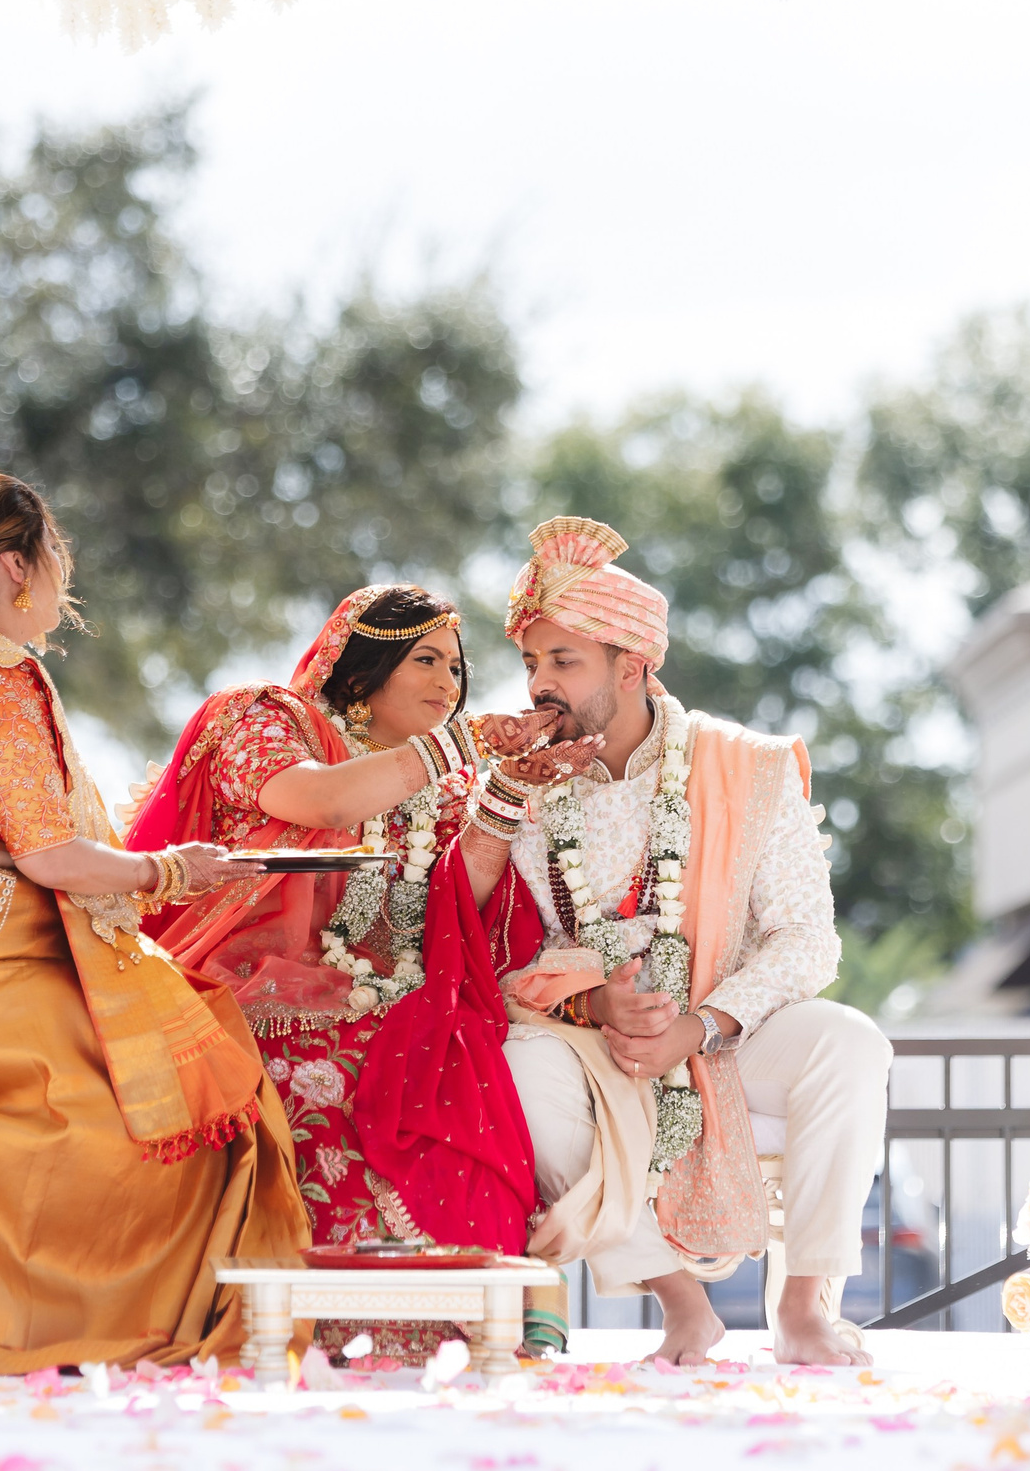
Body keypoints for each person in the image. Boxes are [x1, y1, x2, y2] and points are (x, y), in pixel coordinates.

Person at [364, 516, 889, 1367]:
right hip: (587, 1038)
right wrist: (591, 998)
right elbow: (484, 946)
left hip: (728, 1030)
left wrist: (701, 1023)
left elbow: (807, 942)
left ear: (633, 668)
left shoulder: (747, 768)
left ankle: (802, 1308)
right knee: (521, 1077)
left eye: (563, 662)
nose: (540, 685)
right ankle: (683, 1304)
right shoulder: (527, 788)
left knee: (850, 1043)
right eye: (532, 662)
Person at [0, 470, 307, 1373]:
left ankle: (35, 1318)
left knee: (174, 1061)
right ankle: (74, 1331)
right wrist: (173, 867)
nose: (61, 579)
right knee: (165, 1104)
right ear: (13, 567)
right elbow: (48, 857)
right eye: (54, 559)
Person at [124, 586, 563, 1360]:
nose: (448, 685)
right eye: (425, 659)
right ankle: (282, 1318)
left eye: (457, 669)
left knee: (461, 1075)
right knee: (317, 1079)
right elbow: (318, 801)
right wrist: (465, 745)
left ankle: (462, 1310)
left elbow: (466, 901)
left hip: (396, 997)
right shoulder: (266, 719)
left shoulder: (447, 780)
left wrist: (510, 795)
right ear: (361, 668)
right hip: (246, 987)